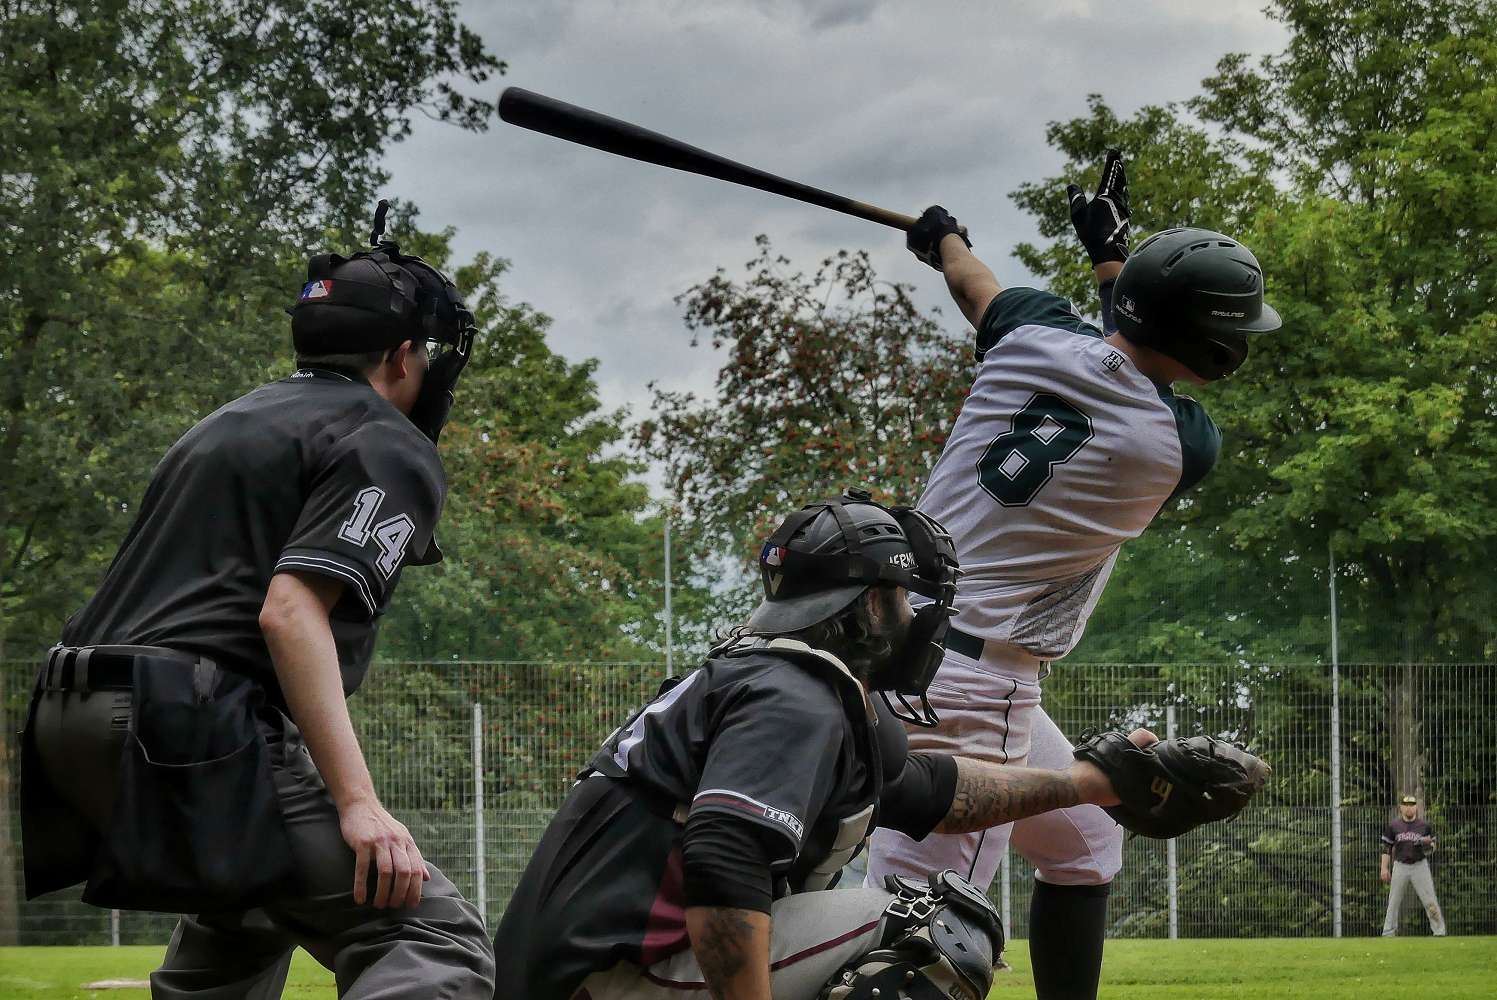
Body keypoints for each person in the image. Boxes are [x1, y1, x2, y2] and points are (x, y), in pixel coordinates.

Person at [492, 489, 1265, 1000]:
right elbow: (724, 860)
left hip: (596, 972)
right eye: (906, 597)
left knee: (912, 914)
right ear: (867, 607)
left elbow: (935, 790)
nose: (922, 619)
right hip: (610, 980)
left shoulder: (778, 678)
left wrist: (1091, 784)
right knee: (931, 925)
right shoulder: (792, 698)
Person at [19, 202, 495, 998]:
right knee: (430, 937)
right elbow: (289, 611)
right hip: (182, 720)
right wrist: (359, 803)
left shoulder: (227, 422)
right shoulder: (384, 437)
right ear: (403, 356)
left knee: (242, 929)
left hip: (71, 714)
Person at [869, 151, 1282, 999]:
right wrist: (1110, 259)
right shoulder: (1174, 446)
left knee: (1086, 841)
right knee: (917, 931)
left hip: (890, 633)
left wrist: (943, 240)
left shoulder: (1029, 337)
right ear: (1216, 351)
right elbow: (1140, 367)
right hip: (974, 687)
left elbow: (977, 288)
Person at [1381, 794, 1446, 936]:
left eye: (1412, 805)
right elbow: (1386, 848)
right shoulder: (1394, 826)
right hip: (1400, 865)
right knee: (1393, 901)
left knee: (1430, 900)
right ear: (1401, 807)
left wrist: (1428, 845)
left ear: (1416, 807)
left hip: (1420, 865)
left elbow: (1433, 846)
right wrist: (1384, 868)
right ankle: (1388, 932)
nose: (1409, 808)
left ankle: (1439, 931)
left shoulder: (1425, 826)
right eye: (1406, 805)